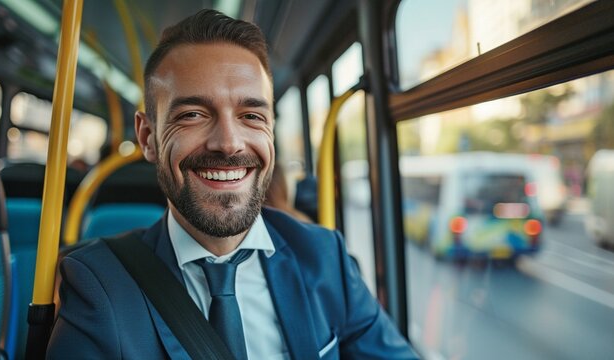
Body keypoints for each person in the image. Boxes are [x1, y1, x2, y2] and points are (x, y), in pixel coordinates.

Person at [47, 9, 418, 360]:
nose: (228, 143)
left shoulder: (324, 257)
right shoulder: (97, 284)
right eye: (193, 114)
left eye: (251, 115)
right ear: (148, 137)